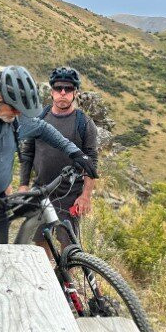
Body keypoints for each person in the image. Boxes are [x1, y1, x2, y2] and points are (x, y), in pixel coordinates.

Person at [0, 65, 97, 249]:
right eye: (14, 109)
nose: (18, 115)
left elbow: (43, 128)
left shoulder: (15, 117)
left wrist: (75, 152)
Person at [19, 66, 98, 255]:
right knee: (40, 240)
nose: (63, 93)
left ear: (75, 92)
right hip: (41, 190)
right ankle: (49, 279)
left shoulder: (84, 123)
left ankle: (67, 283)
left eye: (68, 89)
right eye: (58, 88)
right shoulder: (39, 119)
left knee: (68, 245)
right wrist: (23, 185)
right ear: (52, 91)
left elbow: (91, 160)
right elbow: (28, 153)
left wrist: (86, 196)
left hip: (70, 193)